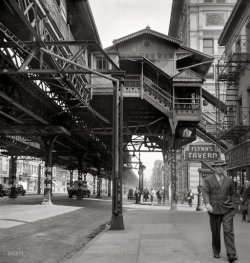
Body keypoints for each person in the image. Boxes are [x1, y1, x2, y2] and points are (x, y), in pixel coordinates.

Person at [202, 160, 237, 262]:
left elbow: (232, 193)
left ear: (224, 168)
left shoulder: (229, 180)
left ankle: (231, 253)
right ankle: (216, 251)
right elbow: (205, 192)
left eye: (222, 166)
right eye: (217, 167)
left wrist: (232, 203)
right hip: (214, 209)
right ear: (214, 168)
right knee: (215, 232)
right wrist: (207, 204)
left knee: (228, 230)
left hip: (227, 209)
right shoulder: (208, 180)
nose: (220, 168)